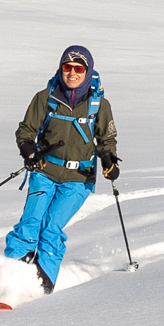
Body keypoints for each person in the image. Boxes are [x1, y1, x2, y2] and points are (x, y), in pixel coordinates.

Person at [8, 44, 120, 291]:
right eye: (67, 67)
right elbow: (26, 130)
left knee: (52, 226)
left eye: (79, 68)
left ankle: (42, 279)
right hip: (44, 171)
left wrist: (109, 160)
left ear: (88, 72)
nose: (72, 73)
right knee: (31, 221)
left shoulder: (99, 104)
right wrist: (28, 151)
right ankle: (12, 271)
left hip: (79, 177)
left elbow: (106, 140)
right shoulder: (45, 98)